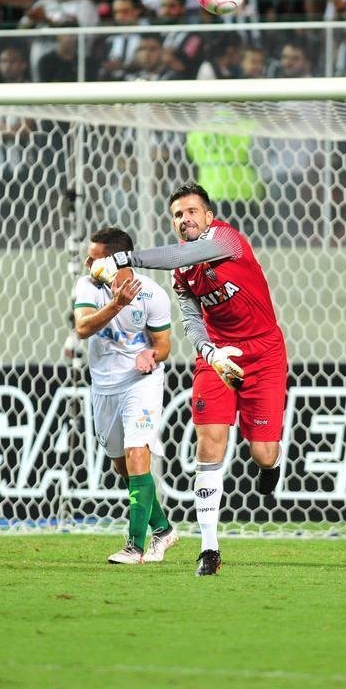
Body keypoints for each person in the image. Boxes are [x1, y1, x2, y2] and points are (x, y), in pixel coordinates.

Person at [89, 183, 287, 577]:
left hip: (264, 352)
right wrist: (210, 352)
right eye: (178, 215)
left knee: (262, 452)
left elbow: (183, 253)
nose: (186, 220)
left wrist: (124, 258)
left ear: (208, 217)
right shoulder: (182, 273)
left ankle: (270, 467)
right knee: (209, 445)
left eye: (192, 211)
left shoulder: (227, 239)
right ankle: (209, 548)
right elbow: (193, 321)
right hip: (216, 356)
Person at [73, 226, 178, 564]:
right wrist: (117, 305)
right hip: (104, 386)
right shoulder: (87, 285)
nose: (88, 262)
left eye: (95, 257)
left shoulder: (152, 295)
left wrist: (152, 355)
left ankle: (135, 546)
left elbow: (163, 346)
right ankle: (163, 530)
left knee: (137, 455)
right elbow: (83, 328)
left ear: (117, 260)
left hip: (140, 383)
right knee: (124, 466)